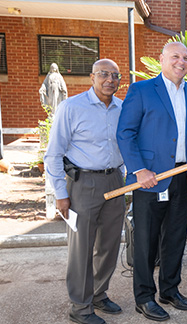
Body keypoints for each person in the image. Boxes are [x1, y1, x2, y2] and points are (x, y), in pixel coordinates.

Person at [117, 42, 187, 322]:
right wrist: (139, 170)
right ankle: (144, 297)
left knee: (175, 238)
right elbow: (125, 133)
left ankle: (169, 289)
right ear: (162, 59)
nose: (181, 62)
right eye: (175, 56)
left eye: (186, 58)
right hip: (151, 179)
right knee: (146, 241)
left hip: (183, 176)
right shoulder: (141, 90)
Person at [44, 59, 125, 324]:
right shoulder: (72, 108)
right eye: (103, 74)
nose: (109, 80)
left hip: (114, 181)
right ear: (92, 77)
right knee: (81, 249)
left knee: (109, 245)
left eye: (115, 75)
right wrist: (60, 194)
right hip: (83, 185)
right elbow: (53, 154)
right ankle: (80, 307)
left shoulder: (122, 108)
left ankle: (99, 295)